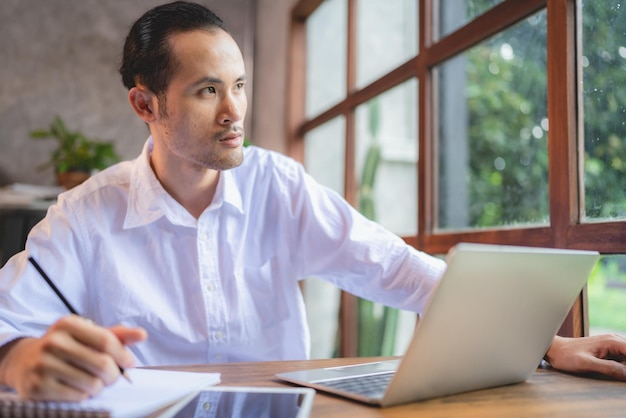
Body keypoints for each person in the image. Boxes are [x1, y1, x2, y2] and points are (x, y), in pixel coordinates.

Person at [0, 0, 625, 403]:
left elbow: (402, 271)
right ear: (146, 105)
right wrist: (20, 357)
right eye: (207, 90)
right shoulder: (85, 215)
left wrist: (546, 342)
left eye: (240, 85)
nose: (234, 111)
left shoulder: (278, 185)